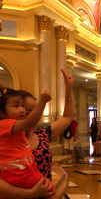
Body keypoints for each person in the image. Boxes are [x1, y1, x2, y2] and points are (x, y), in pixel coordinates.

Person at [0, 68, 74, 198]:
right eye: (29, 110)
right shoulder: (4, 139)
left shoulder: (42, 133)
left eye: (34, 110)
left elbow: (67, 117)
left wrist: (68, 90)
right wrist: (29, 194)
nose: (25, 113)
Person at [0, 87, 55, 199]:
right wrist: (42, 102)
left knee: (48, 189)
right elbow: (29, 122)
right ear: (1, 112)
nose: (22, 110)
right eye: (16, 106)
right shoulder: (5, 124)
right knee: (49, 190)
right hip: (16, 174)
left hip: (23, 171)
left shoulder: (15, 128)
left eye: (22, 106)